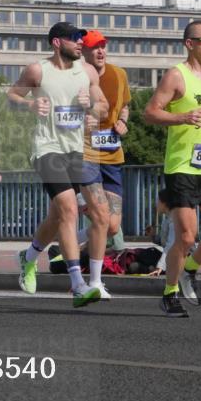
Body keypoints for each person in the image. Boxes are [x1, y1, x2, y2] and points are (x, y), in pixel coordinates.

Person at [6, 22, 109, 308]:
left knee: (75, 214)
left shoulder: (86, 71)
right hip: (46, 149)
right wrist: (28, 105)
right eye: (75, 38)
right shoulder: (38, 70)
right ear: (56, 43)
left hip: (77, 151)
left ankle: (29, 257)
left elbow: (104, 107)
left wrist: (93, 109)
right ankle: (78, 285)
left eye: (82, 39)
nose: (81, 43)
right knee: (68, 208)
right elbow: (11, 96)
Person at [143, 19, 201, 318]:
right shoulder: (176, 75)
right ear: (189, 44)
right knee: (185, 237)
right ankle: (170, 293)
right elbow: (150, 113)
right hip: (182, 165)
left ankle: (190, 270)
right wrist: (182, 118)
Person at [77, 30, 132, 275]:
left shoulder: (119, 74)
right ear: (84, 51)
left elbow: (126, 106)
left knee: (112, 226)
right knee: (100, 215)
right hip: (86, 155)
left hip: (112, 154)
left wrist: (123, 122)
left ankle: (76, 251)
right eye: (94, 47)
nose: (100, 51)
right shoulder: (75, 76)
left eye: (103, 46)